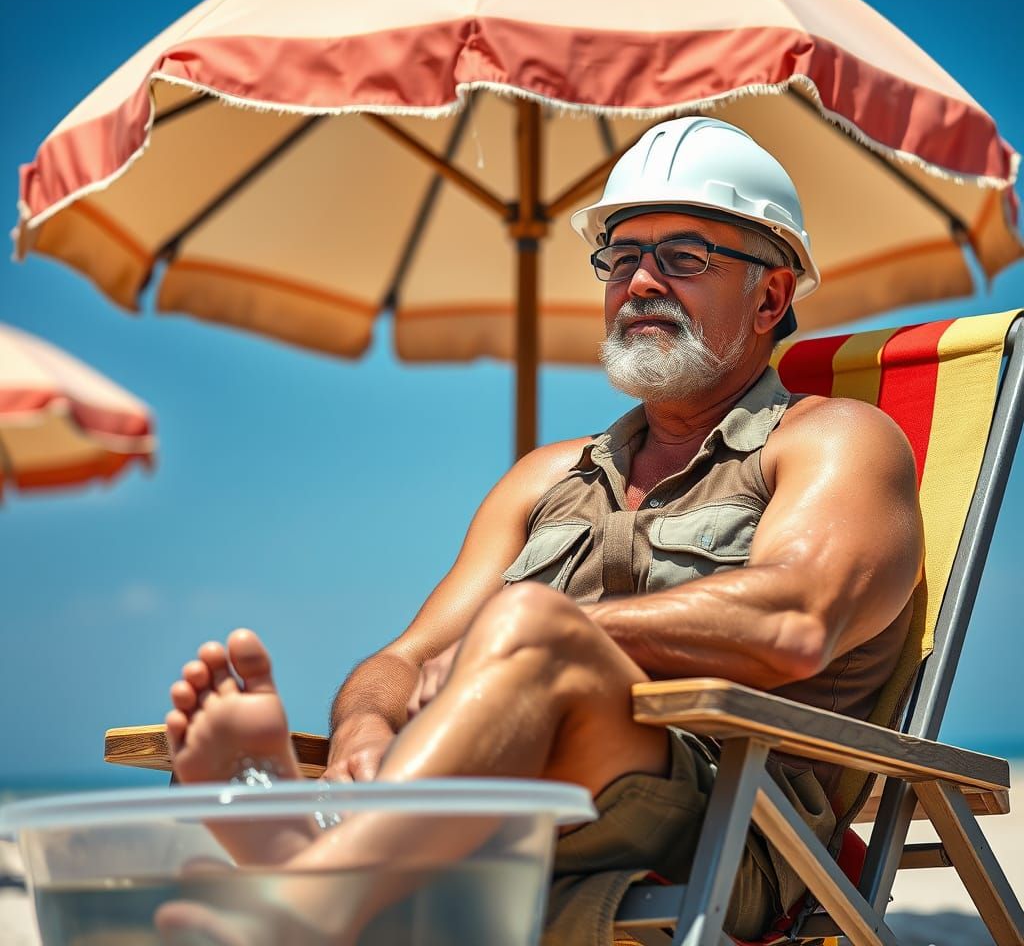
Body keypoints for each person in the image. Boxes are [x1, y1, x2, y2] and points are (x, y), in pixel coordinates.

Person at [159, 117, 923, 945]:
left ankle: (312, 880)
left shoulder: (833, 439)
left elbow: (793, 620)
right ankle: (326, 858)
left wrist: (544, 637)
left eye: (684, 258)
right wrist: (362, 729)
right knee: (509, 645)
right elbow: (404, 660)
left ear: (771, 297)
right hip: (513, 808)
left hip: (732, 826)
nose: (639, 283)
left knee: (528, 624)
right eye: (620, 258)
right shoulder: (544, 477)